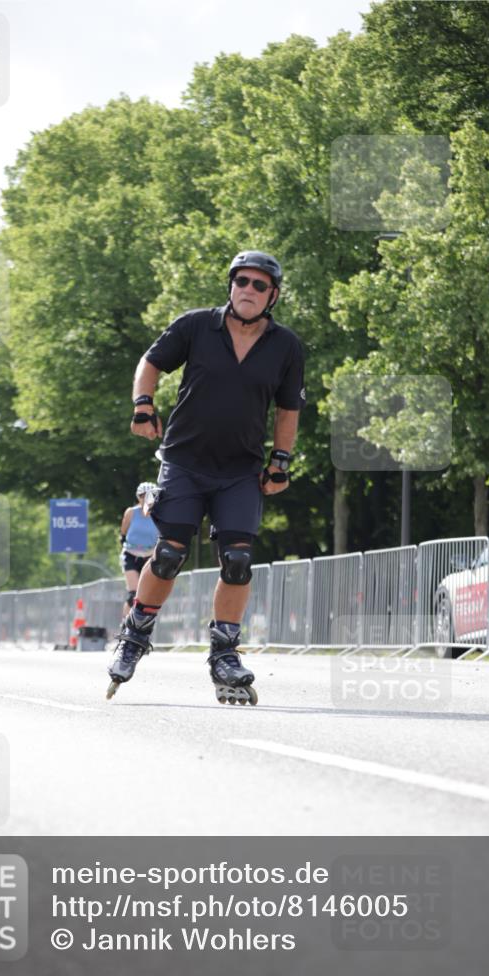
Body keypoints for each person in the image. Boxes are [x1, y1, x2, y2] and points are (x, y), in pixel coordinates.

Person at [107, 250, 305, 704]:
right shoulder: (196, 325)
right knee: (169, 554)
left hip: (240, 469)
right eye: (242, 282)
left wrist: (281, 461)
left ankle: (224, 653)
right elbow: (151, 362)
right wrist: (143, 404)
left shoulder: (286, 346)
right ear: (230, 286)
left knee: (237, 560)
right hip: (184, 462)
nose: (248, 291)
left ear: (272, 294)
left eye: (259, 285)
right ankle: (135, 636)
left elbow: (289, 408)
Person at [119, 482, 160, 618]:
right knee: (133, 593)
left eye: (150, 496)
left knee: (145, 595)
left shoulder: (159, 514)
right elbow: (123, 532)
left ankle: (139, 624)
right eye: (143, 496)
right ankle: (125, 624)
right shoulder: (131, 512)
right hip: (130, 554)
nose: (146, 499)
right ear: (138, 497)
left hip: (149, 556)